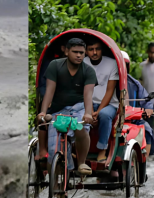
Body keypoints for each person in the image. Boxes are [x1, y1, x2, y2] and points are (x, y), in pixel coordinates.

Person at [37, 38, 96, 175]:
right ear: (66, 51)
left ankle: (81, 162)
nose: (79, 55)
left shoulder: (88, 71)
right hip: (58, 110)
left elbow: (88, 95)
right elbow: (49, 91)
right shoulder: (55, 66)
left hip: (79, 107)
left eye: (81, 53)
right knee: (53, 150)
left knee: (80, 127)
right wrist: (43, 112)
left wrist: (87, 113)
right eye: (75, 52)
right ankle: (58, 184)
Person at [84, 38, 119, 162]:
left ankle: (102, 150)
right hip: (87, 102)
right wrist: (88, 110)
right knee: (76, 114)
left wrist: (98, 111)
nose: (94, 52)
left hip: (109, 104)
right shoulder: (83, 63)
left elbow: (110, 91)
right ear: (86, 51)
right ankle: (78, 150)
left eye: (97, 49)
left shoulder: (112, 63)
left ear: (102, 50)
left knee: (104, 115)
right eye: (91, 49)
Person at [122, 50, 154, 155]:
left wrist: (148, 109)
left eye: (124, 65)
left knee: (146, 129)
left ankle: (143, 165)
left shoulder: (134, 84)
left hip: (131, 120)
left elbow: (146, 99)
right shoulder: (104, 81)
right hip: (112, 118)